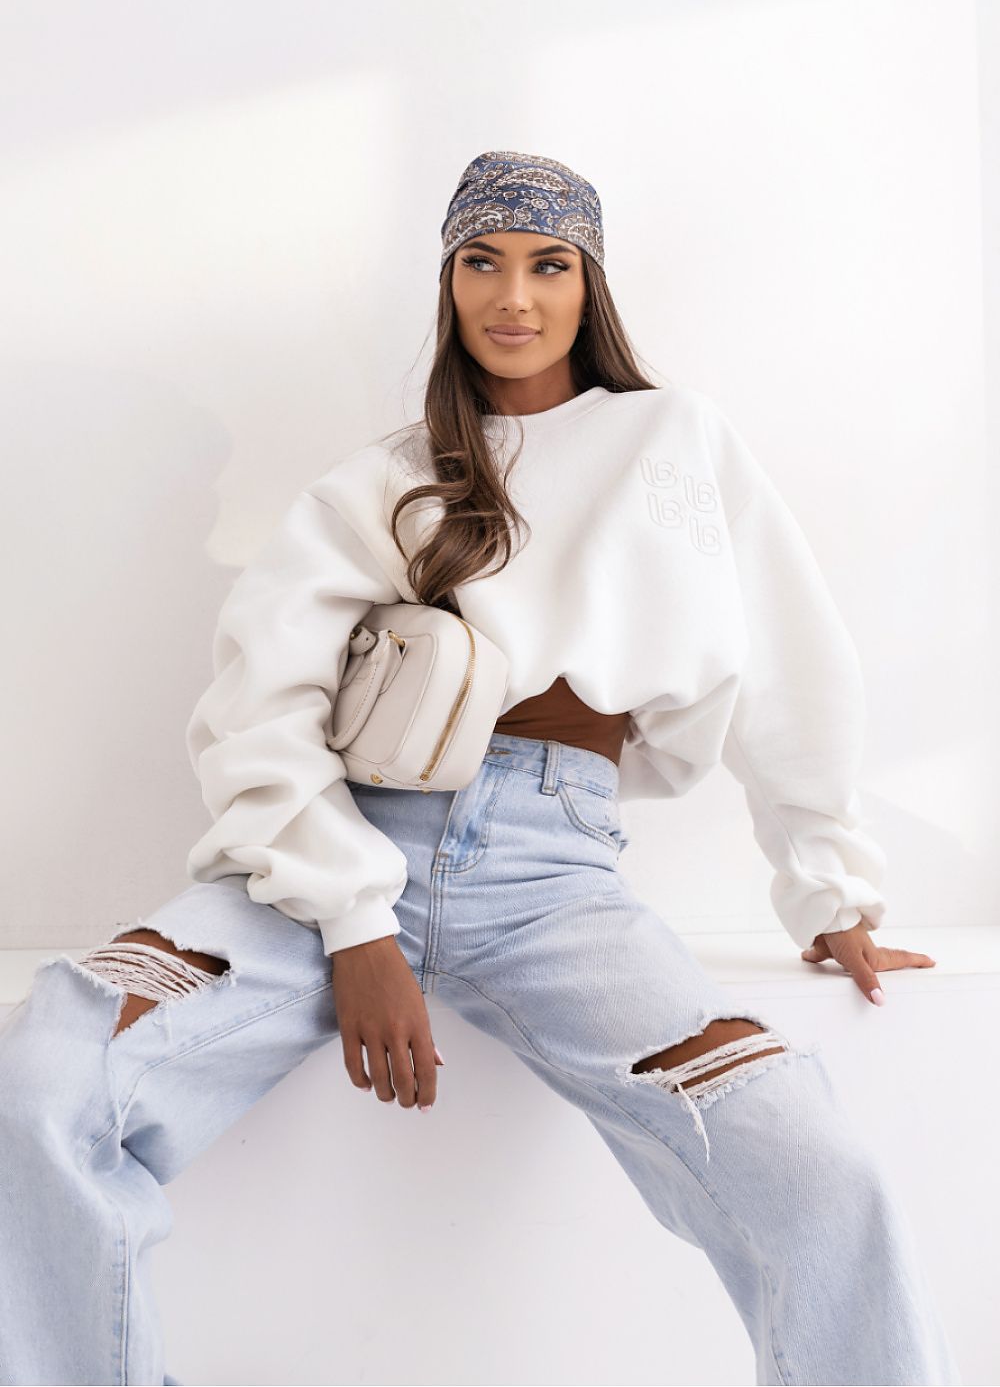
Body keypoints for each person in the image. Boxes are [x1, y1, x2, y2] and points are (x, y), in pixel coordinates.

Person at [0, 150, 960, 1387]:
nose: (515, 295)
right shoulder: (386, 477)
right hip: (329, 862)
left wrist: (830, 891)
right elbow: (261, 707)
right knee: (48, 1080)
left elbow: (790, 661)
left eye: (548, 264)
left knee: (818, 1172)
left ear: (587, 285)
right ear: (449, 287)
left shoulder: (673, 442)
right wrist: (357, 929)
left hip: (554, 881)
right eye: (482, 263)